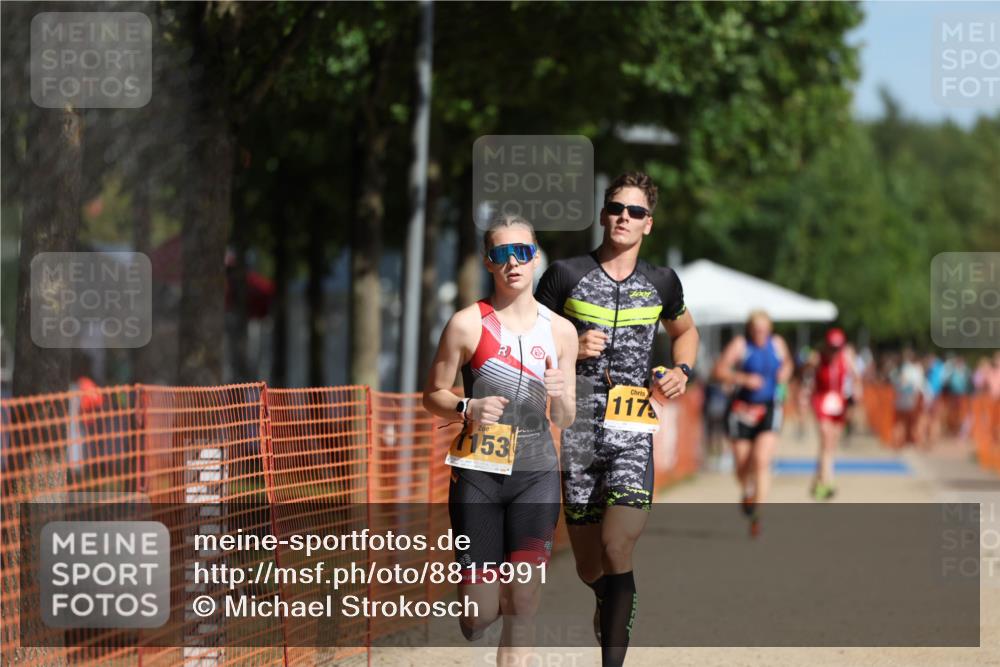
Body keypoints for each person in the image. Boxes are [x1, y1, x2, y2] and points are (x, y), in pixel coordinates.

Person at [535, 171, 699, 666]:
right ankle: (608, 600)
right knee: (589, 566)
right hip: (580, 431)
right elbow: (527, 338)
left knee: (617, 543)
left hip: (632, 430)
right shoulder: (565, 274)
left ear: (649, 223)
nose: (624, 218)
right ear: (603, 214)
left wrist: (681, 370)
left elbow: (686, 332)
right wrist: (569, 346)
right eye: (615, 209)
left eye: (635, 211)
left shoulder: (662, 282)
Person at [423, 214, 578, 664]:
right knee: (479, 614)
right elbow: (431, 395)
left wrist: (562, 395)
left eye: (522, 252)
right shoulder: (466, 325)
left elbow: (565, 418)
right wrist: (466, 407)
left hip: (536, 473)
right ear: (488, 261)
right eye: (502, 254)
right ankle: (476, 603)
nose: (513, 263)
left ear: (536, 258)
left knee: (523, 602)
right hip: (479, 476)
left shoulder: (561, 331)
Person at [712, 310, 792, 537]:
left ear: (770, 329)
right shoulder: (740, 345)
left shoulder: (777, 343)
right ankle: (748, 490)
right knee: (742, 464)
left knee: (762, 460)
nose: (760, 334)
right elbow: (719, 370)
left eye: (764, 330)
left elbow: (787, 364)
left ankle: (757, 513)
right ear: (750, 329)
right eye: (757, 330)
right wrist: (744, 379)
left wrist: (785, 372)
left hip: (769, 408)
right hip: (742, 410)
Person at [807, 327, 857, 501]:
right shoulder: (817, 358)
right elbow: (805, 376)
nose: (834, 352)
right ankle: (828, 481)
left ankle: (817, 479)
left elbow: (855, 379)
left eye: (837, 348)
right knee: (826, 439)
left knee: (830, 445)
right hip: (822, 401)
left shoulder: (846, 358)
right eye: (832, 348)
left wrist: (853, 398)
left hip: (839, 403)